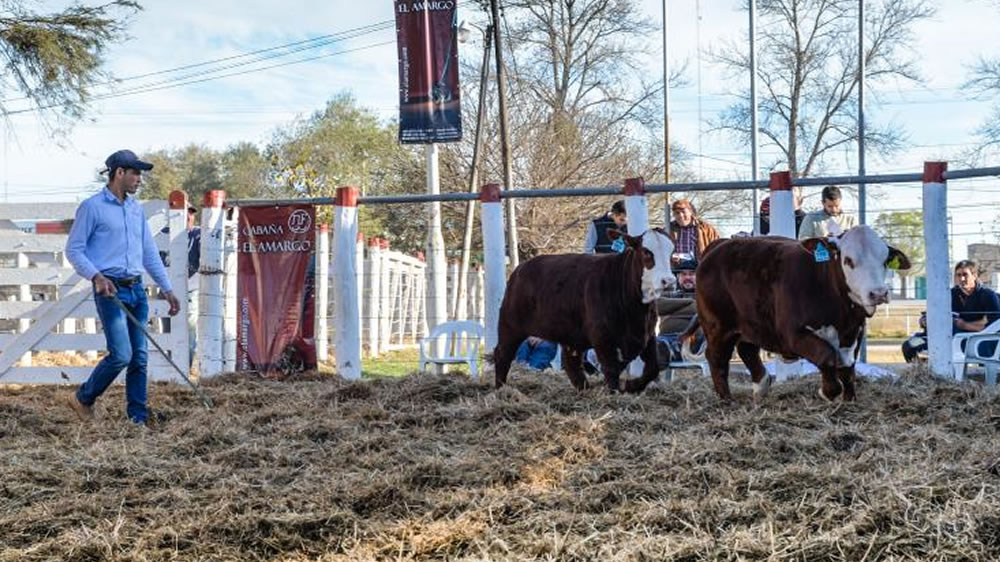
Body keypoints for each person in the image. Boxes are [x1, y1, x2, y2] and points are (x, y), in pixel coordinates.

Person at [65, 149, 180, 425]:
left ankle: (137, 419)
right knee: (121, 355)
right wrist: (96, 277)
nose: (140, 179)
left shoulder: (135, 210)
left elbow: (149, 252)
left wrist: (167, 288)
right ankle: (83, 398)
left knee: (139, 357)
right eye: (135, 173)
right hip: (110, 290)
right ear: (119, 173)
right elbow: (74, 250)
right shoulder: (92, 207)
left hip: (136, 290)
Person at [902, 260, 1000, 362]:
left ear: (974, 275)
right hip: (941, 338)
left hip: (972, 341)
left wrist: (965, 325)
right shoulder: (950, 294)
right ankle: (925, 374)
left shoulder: (987, 295)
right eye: (958, 275)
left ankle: (944, 372)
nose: (962, 279)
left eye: (965, 275)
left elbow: (994, 326)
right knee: (909, 346)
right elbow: (934, 313)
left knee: (953, 333)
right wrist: (924, 321)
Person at [667, 198, 720, 267]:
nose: (680, 215)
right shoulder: (668, 229)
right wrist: (671, 257)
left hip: (700, 269)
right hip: (676, 269)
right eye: (677, 213)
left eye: (683, 212)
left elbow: (717, 249)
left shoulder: (707, 229)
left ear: (690, 212)